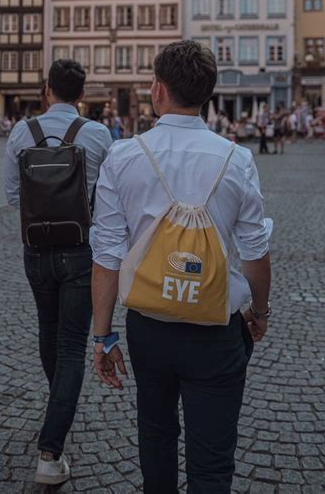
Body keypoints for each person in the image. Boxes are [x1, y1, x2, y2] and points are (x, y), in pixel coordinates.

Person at [91, 40, 271, 494]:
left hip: (150, 328)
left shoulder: (123, 156)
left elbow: (107, 254)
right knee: (212, 461)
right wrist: (260, 312)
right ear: (206, 95)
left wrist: (103, 335)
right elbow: (255, 251)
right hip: (216, 328)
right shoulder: (237, 159)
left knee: (156, 436)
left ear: (157, 90)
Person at [3, 59, 113, 486]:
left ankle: (56, 415)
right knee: (71, 346)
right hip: (80, 251)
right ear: (81, 94)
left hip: (36, 250)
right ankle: (51, 450)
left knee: (47, 333)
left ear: (47, 89)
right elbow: (108, 197)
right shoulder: (99, 134)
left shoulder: (20, 132)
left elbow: (13, 197)